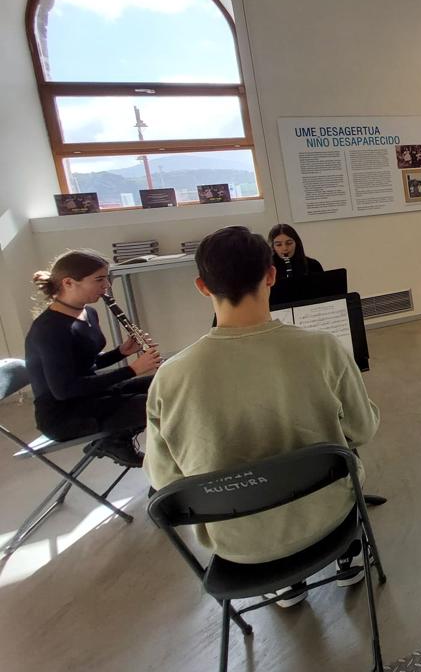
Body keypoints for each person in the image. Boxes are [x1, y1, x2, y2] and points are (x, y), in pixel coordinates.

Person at [145, 226, 380, 606]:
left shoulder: (169, 378)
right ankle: (348, 557)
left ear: (202, 287)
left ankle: (285, 586)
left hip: (240, 548)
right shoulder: (322, 349)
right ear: (271, 274)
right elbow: (363, 428)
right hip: (328, 520)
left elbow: (164, 479)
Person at [23, 250, 162, 468]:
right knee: (163, 405)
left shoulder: (88, 313)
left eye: (106, 278)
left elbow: (85, 364)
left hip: (93, 397)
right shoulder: (49, 330)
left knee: (165, 385)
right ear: (69, 283)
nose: (106, 285)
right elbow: (65, 389)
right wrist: (132, 370)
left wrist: (120, 352)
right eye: (99, 279)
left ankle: (115, 439)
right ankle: (136, 450)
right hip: (65, 416)